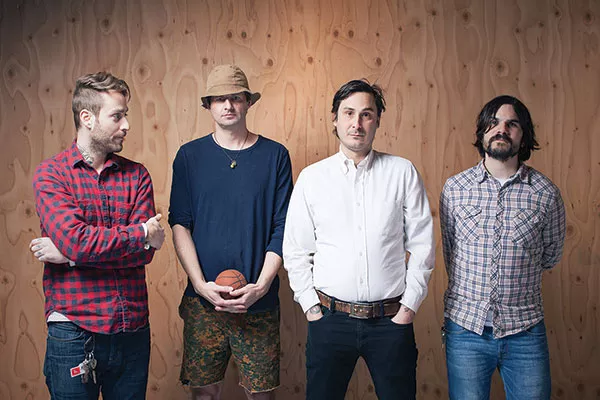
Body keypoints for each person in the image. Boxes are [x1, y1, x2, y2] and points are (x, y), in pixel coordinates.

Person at [283, 79, 435, 400]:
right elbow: (296, 250)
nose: (357, 123)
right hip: (329, 320)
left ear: (377, 120)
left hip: (390, 321)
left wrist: (408, 308)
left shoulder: (402, 172)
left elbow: (423, 246)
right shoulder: (312, 179)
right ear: (335, 119)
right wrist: (311, 308)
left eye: (366, 114)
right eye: (348, 113)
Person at [30, 72, 165, 400]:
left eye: (125, 115)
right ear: (87, 118)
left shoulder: (137, 175)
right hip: (74, 330)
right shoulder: (51, 174)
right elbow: (80, 240)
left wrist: (69, 256)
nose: (126, 125)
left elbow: (145, 253)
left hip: (132, 330)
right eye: (117, 116)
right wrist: (139, 233)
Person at [169, 64, 293, 400]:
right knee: (204, 394)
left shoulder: (275, 156)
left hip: (258, 302)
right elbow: (180, 223)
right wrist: (200, 285)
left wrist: (261, 286)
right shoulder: (189, 156)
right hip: (204, 302)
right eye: (219, 98)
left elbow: (283, 226)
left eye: (236, 97)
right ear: (208, 105)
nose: (228, 105)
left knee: (261, 395)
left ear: (248, 102)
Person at [440, 95, 566, 400]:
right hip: (465, 330)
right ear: (482, 131)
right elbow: (450, 252)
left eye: (512, 124)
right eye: (493, 123)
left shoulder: (546, 194)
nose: (502, 129)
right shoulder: (454, 190)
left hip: (525, 331)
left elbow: (551, 254)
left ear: (524, 135)